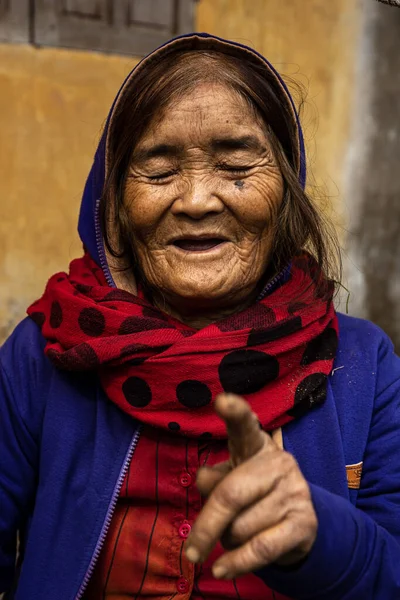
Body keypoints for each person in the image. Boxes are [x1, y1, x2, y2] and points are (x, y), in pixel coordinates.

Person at [1, 32, 400, 600]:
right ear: (113, 200)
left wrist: (320, 534)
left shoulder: (364, 365)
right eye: (159, 172)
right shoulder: (45, 353)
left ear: (286, 191)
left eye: (236, 164)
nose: (196, 201)